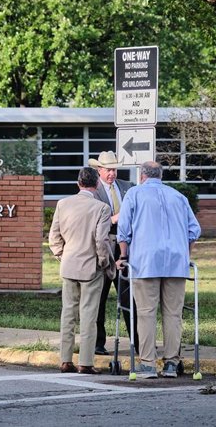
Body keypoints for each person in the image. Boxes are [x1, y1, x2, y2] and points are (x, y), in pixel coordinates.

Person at [116, 161, 201, 379]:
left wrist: (123, 256)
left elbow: (123, 230)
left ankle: (147, 364)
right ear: (160, 175)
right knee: (173, 314)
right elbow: (194, 230)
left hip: (145, 262)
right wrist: (184, 254)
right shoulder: (178, 196)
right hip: (176, 263)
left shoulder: (134, 194)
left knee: (146, 313)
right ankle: (171, 363)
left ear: (142, 175)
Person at [49, 167, 114, 375]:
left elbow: (54, 237)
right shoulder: (102, 208)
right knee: (89, 316)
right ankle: (85, 362)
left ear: (78, 183)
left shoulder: (62, 204)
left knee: (67, 314)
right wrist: (104, 262)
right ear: (96, 185)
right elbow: (101, 241)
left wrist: (62, 255)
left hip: (69, 264)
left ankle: (65, 360)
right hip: (91, 266)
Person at [87, 150, 138, 356]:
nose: (112, 174)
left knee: (129, 296)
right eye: (108, 170)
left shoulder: (127, 187)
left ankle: (137, 341)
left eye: (115, 170)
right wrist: (113, 219)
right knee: (99, 296)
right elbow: (90, 219)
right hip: (103, 246)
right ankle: (98, 343)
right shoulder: (94, 190)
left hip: (124, 248)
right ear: (99, 170)